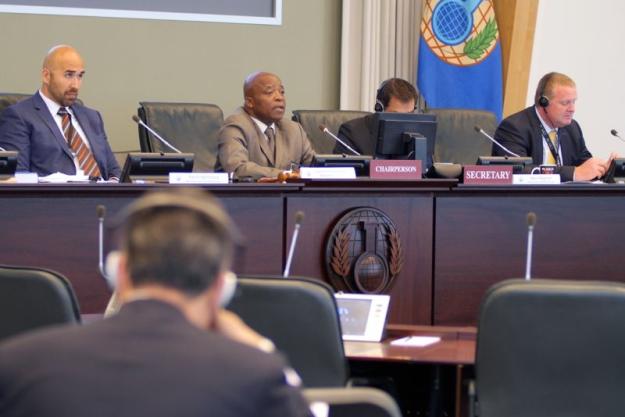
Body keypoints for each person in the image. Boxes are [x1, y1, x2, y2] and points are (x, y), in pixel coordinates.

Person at [0, 189, 312, 417]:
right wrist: (262, 349)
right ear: (221, 288)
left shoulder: (15, 363)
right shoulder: (256, 374)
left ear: (119, 274)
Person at [0, 45, 120, 180]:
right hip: (56, 198)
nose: (75, 85)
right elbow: (17, 178)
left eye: (80, 76)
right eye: (69, 75)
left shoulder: (92, 117)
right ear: (46, 76)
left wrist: (113, 186)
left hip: (104, 197)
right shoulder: (19, 116)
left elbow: (114, 171)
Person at [493, 72, 613, 181]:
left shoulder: (572, 128)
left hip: (564, 202)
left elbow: (585, 167)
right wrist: (573, 174)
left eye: (574, 102)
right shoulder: (515, 127)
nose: (572, 109)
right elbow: (518, 171)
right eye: (565, 103)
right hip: (526, 202)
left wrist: (607, 169)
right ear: (543, 102)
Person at [215, 71, 315, 179]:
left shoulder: (294, 130)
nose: (279, 98)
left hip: (290, 195)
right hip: (250, 195)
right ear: (250, 102)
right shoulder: (235, 126)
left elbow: (315, 168)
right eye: (269, 92)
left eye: (282, 92)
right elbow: (238, 169)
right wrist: (285, 175)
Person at [333, 78, 420, 156]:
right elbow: (345, 171)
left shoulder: (419, 135)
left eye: (409, 115)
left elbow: (427, 170)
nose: (403, 122)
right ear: (379, 108)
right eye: (397, 115)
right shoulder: (351, 133)